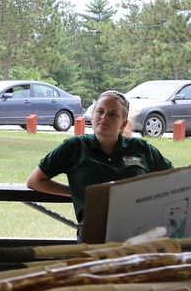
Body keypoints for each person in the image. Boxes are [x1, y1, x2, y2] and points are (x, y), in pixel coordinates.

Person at [26, 90, 173, 239]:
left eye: (113, 114)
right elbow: (35, 181)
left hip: (138, 230)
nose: (104, 117)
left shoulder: (140, 148)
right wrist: (77, 192)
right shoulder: (74, 147)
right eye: (100, 111)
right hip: (94, 231)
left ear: (123, 123)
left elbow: (174, 180)